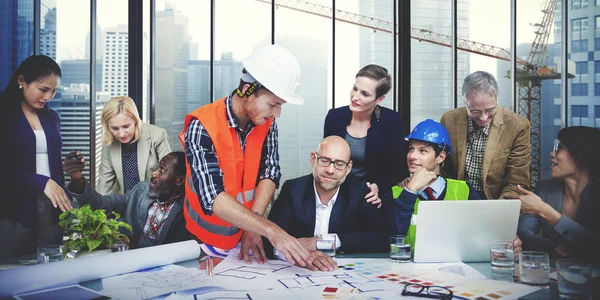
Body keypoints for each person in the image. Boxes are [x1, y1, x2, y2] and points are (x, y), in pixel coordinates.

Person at [180, 44, 313, 267]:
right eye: (273, 104)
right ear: (247, 91)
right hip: (202, 243)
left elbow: (270, 172)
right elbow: (212, 197)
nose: (277, 114)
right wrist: (271, 230)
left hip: (247, 237)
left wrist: (254, 225)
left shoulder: (267, 123)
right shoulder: (202, 126)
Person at [383, 119, 522, 258]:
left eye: (423, 151)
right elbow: (393, 240)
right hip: (409, 270)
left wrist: (509, 244)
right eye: (411, 149)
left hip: (458, 270)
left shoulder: (465, 190)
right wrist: (410, 191)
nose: (412, 156)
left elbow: (486, 233)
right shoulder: (395, 194)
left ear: (440, 157)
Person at [265, 136, 389, 257]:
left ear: (348, 168)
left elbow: (382, 238)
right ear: (313, 159)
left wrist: (322, 242)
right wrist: (300, 253)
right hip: (298, 270)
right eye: (324, 161)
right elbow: (269, 240)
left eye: (339, 164)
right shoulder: (293, 190)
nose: (330, 170)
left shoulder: (360, 192)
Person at [0, 55, 72, 259]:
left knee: (50, 271)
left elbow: (53, 163)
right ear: (21, 81)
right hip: (13, 209)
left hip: (51, 209)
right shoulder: (3, 113)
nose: (48, 97)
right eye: (43, 90)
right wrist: (42, 182)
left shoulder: (52, 118)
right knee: (12, 271)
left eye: (53, 90)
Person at [63, 151, 189, 248]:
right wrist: (78, 179)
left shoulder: (189, 209)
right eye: (157, 167)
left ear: (180, 180)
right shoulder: (140, 191)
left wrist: (136, 243)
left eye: (162, 170)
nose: (154, 173)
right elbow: (102, 204)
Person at [324, 64, 407, 208]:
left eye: (365, 94)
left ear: (379, 99)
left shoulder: (391, 121)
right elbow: (325, 158)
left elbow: (398, 168)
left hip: (372, 194)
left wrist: (378, 187)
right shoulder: (334, 117)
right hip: (337, 191)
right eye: (355, 89)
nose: (355, 97)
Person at [440, 71, 531, 200]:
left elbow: (517, 180)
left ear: (497, 99)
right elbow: (442, 166)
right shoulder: (449, 120)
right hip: (456, 198)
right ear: (465, 102)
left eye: (490, 110)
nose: (483, 118)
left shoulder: (517, 126)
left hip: (496, 201)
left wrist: (499, 208)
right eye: (475, 111)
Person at [517, 126, 600, 263]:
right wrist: (549, 247)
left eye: (560, 148)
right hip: (555, 274)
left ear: (581, 156)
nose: (552, 154)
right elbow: (524, 232)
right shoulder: (544, 189)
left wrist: (544, 210)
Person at [98, 96, 171, 195]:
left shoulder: (157, 135)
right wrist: (99, 208)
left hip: (153, 201)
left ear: (136, 120)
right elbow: (104, 185)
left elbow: (169, 174)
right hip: (122, 204)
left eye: (126, 126)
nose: (121, 134)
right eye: (115, 128)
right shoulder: (109, 143)